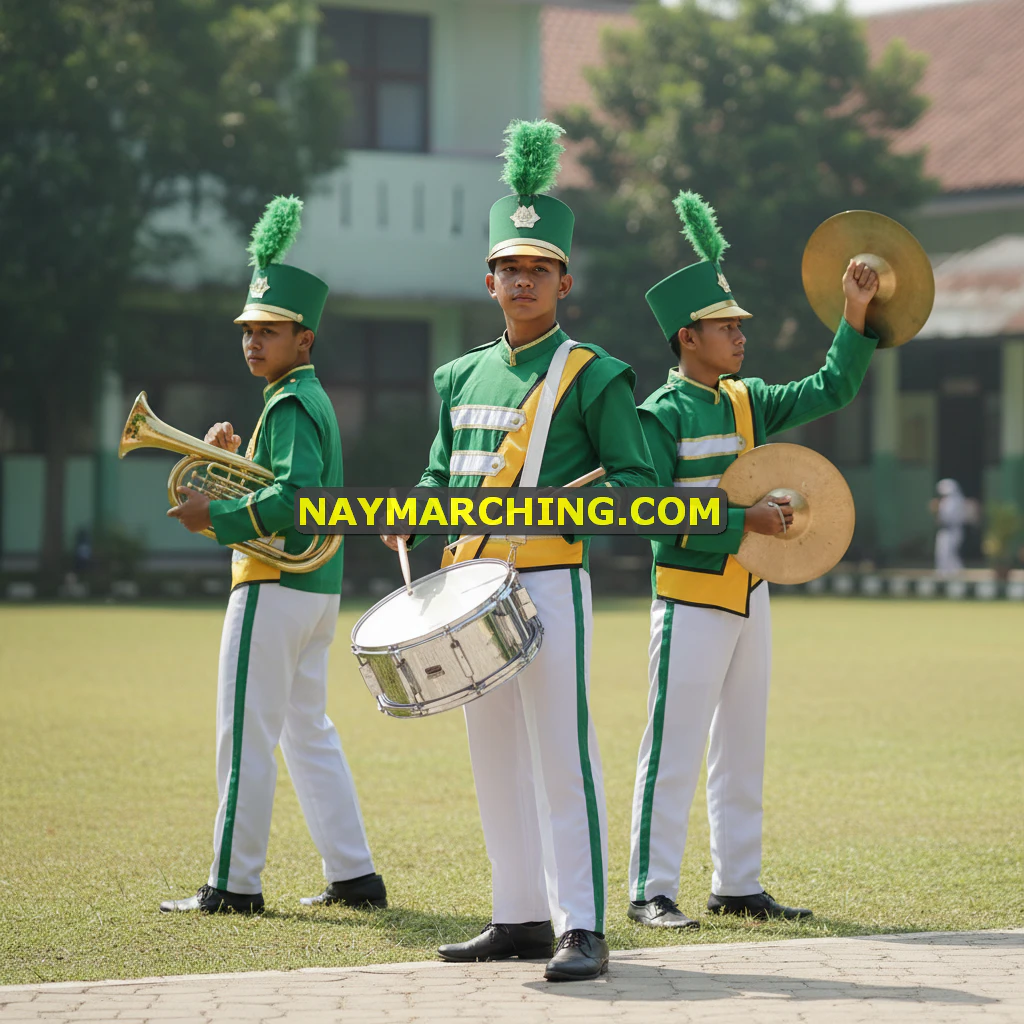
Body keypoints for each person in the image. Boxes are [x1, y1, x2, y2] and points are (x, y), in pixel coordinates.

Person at [383, 120, 656, 981]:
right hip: (467, 583)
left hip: (545, 580)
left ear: (565, 281)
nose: (525, 279)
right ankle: (518, 916)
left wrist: (567, 509)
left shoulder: (594, 374)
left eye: (541, 267)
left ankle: (583, 926)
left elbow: (637, 483)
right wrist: (411, 515)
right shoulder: (460, 378)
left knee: (560, 752)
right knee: (492, 755)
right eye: (512, 266)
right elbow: (440, 473)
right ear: (490, 279)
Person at [626, 192, 880, 929]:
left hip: (751, 592)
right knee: (671, 745)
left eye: (739, 326)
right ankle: (650, 889)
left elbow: (831, 386)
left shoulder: (747, 400)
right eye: (725, 327)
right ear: (687, 337)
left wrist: (854, 314)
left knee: (743, 742)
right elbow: (653, 519)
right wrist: (744, 518)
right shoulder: (658, 417)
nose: (740, 336)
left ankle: (737, 882)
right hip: (688, 597)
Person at [160, 196, 385, 915]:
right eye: (249, 331)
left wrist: (212, 515)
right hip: (314, 591)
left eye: (270, 331)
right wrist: (230, 459)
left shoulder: (289, 402)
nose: (254, 343)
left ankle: (234, 885)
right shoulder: (301, 397)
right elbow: (286, 485)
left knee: (244, 733)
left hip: (272, 588)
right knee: (304, 730)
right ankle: (354, 875)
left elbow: (294, 499)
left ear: (304, 338)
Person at [931, 478, 969, 577]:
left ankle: (952, 571)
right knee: (943, 552)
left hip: (952, 530)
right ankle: (946, 571)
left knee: (949, 551)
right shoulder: (948, 501)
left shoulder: (954, 501)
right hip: (945, 530)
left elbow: (946, 517)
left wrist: (936, 510)